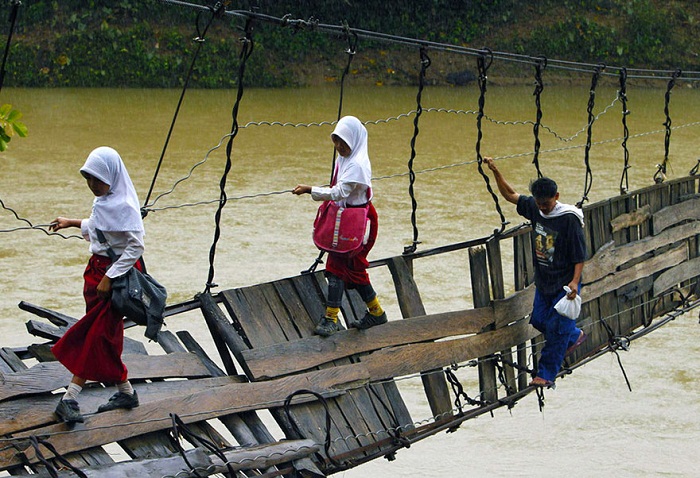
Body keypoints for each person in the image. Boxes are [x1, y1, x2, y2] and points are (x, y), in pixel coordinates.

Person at [49, 146, 144, 424]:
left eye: (97, 180)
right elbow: (102, 227)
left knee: (95, 335)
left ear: (112, 178)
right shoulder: (106, 202)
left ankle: (70, 398)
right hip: (97, 274)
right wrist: (72, 222)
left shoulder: (125, 206)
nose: (93, 185)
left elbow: (135, 246)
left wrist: (109, 277)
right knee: (106, 336)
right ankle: (126, 392)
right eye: (88, 179)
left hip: (113, 279)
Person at [484, 157, 588, 388]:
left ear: (557, 197)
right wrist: (495, 171)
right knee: (540, 321)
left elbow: (580, 255)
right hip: (544, 282)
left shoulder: (569, 219)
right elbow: (511, 195)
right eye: (540, 204)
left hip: (565, 284)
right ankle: (575, 336)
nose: (543, 208)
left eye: (547, 204)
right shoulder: (537, 209)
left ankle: (546, 375)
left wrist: (574, 282)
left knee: (558, 332)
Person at [293, 116, 387, 337]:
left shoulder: (357, 164)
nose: (339, 147)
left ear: (354, 141)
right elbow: (337, 189)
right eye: (335, 141)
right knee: (353, 268)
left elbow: (338, 192)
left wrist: (309, 189)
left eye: (343, 142)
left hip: (358, 224)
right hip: (347, 221)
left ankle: (331, 318)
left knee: (337, 266)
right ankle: (376, 312)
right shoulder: (344, 159)